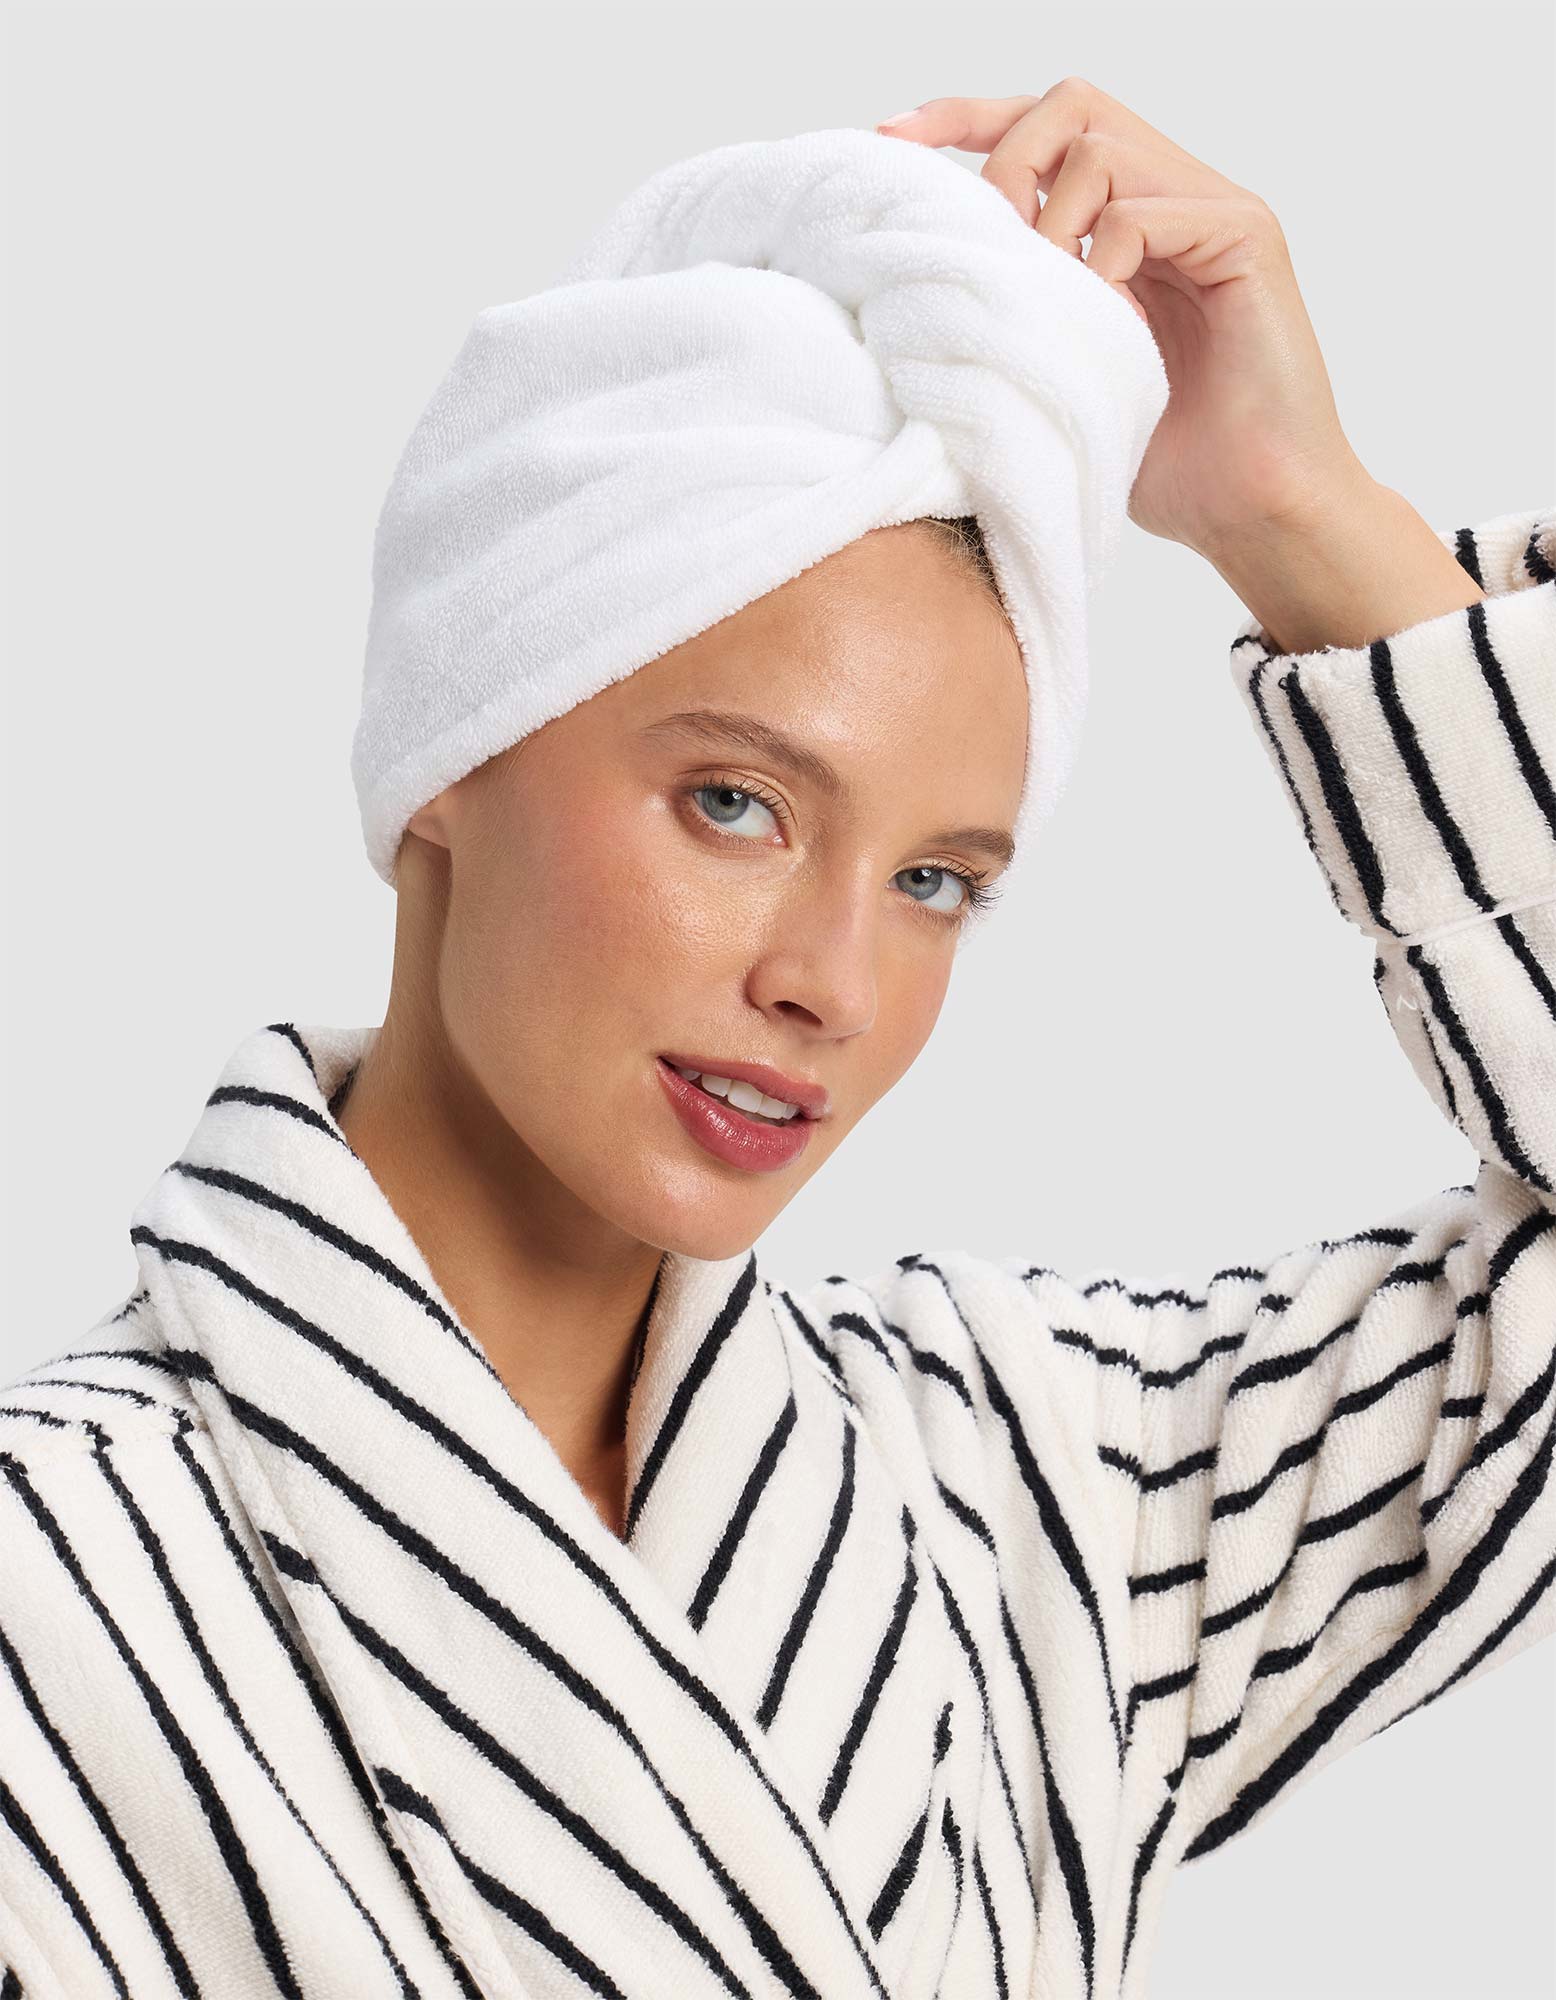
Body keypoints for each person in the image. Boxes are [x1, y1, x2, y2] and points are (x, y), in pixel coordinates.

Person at [2, 82, 1552, 2000]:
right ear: (449, 758)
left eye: (937, 882)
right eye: (737, 806)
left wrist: (1312, 523)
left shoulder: (1019, 1493)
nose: (836, 980)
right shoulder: (50, 1598)